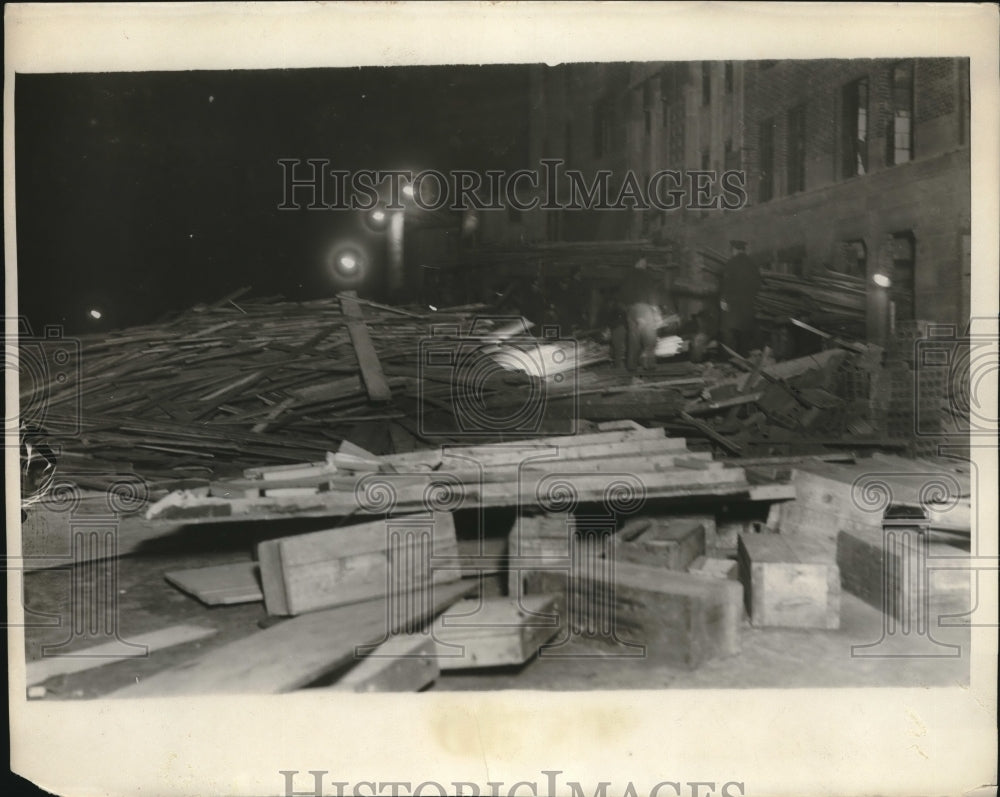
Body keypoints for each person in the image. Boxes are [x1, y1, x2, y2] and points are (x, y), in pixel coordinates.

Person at [618, 257, 668, 372]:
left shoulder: (627, 276)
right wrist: (656, 311)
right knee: (650, 337)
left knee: (633, 338)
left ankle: (631, 366)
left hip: (630, 310)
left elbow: (621, 297)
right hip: (643, 308)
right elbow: (651, 293)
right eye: (644, 261)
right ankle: (649, 364)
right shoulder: (645, 275)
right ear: (639, 262)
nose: (646, 263)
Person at [718, 239, 761, 357]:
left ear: (734, 250)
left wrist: (723, 300)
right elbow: (758, 284)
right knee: (745, 331)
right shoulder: (752, 264)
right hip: (748, 303)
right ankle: (743, 357)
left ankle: (728, 358)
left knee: (728, 330)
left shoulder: (731, 263)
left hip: (732, 304)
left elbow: (726, 283)